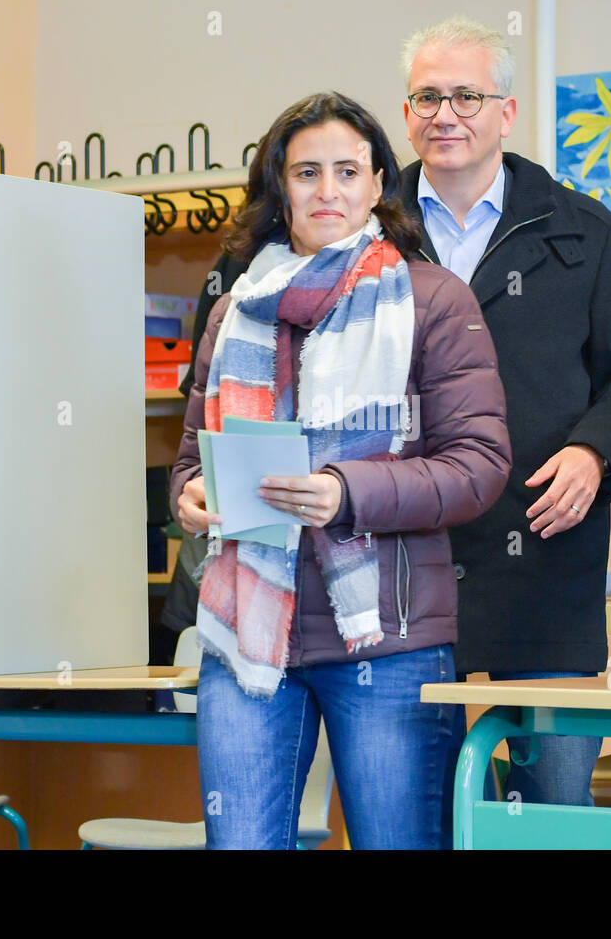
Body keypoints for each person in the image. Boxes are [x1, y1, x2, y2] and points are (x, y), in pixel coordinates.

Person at [170, 91, 511, 849]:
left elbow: (479, 467)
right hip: (247, 638)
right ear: (277, 188)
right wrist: (192, 496)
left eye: (348, 171)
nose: (327, 191)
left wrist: (345, 492)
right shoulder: (238, 309)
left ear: (379, 185)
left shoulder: (433, 301)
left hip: (386, 644)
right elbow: (194, 455)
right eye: (306, 173)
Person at [398, 17, 611, 806]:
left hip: (544, 557)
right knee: (412, 804)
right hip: (402, 562)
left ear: (506, 113)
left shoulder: (582, 229)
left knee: (549, 806)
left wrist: (595, 454)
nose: (446, 114)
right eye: (427, 97)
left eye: (467, 95)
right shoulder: (368, 235)